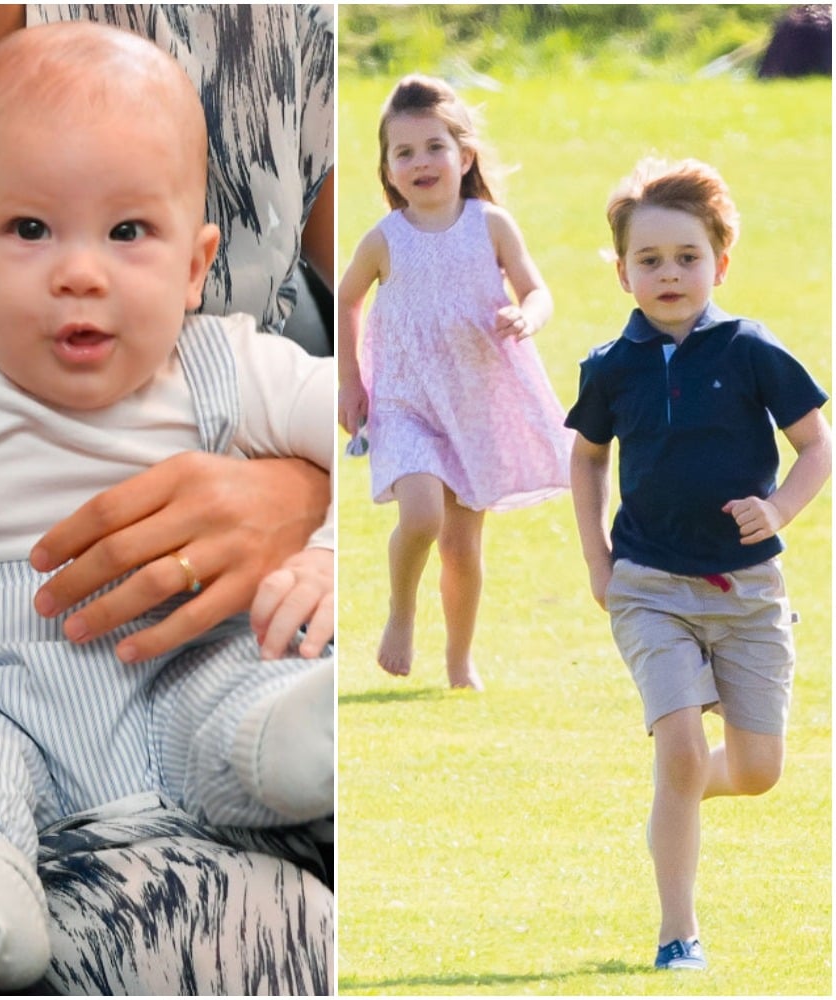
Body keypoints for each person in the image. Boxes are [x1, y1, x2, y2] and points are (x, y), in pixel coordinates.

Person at [0, 5, 334, 996]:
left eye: (128, 233)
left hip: (188, 666)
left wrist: (324, 541)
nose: (78, 272)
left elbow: (380, 433)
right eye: (28, 230)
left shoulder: (228, 368)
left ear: (198, 267)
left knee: (260, 690)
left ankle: (309, 744)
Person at [565, 157, 831, 971]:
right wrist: (598, 562)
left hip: (749, 592)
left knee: (755, 772)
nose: (669, 273)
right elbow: (586, 460)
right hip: (649, 586)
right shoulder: (611, 366)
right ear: (622, 272)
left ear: (722, 261)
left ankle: (674, 799)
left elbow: (818, 446)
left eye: (687, 256)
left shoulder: (753, 350)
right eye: (649, 260)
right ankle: (677, 934)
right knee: (679, 748)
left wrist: (779, 509)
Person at [337, 74, 571, 691]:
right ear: (387, 171)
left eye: (434, 147)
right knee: (421, 517)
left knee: (462, 547)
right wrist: (350, 382)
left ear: (464, 156)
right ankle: (400, 614)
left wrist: (529, 315)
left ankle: (459, 660)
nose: (420, 162)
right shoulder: (385, 239)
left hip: (474, 403)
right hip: (407, 402)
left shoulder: (489, 224)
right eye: (403, 152)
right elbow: (347, 299)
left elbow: (537, 289)